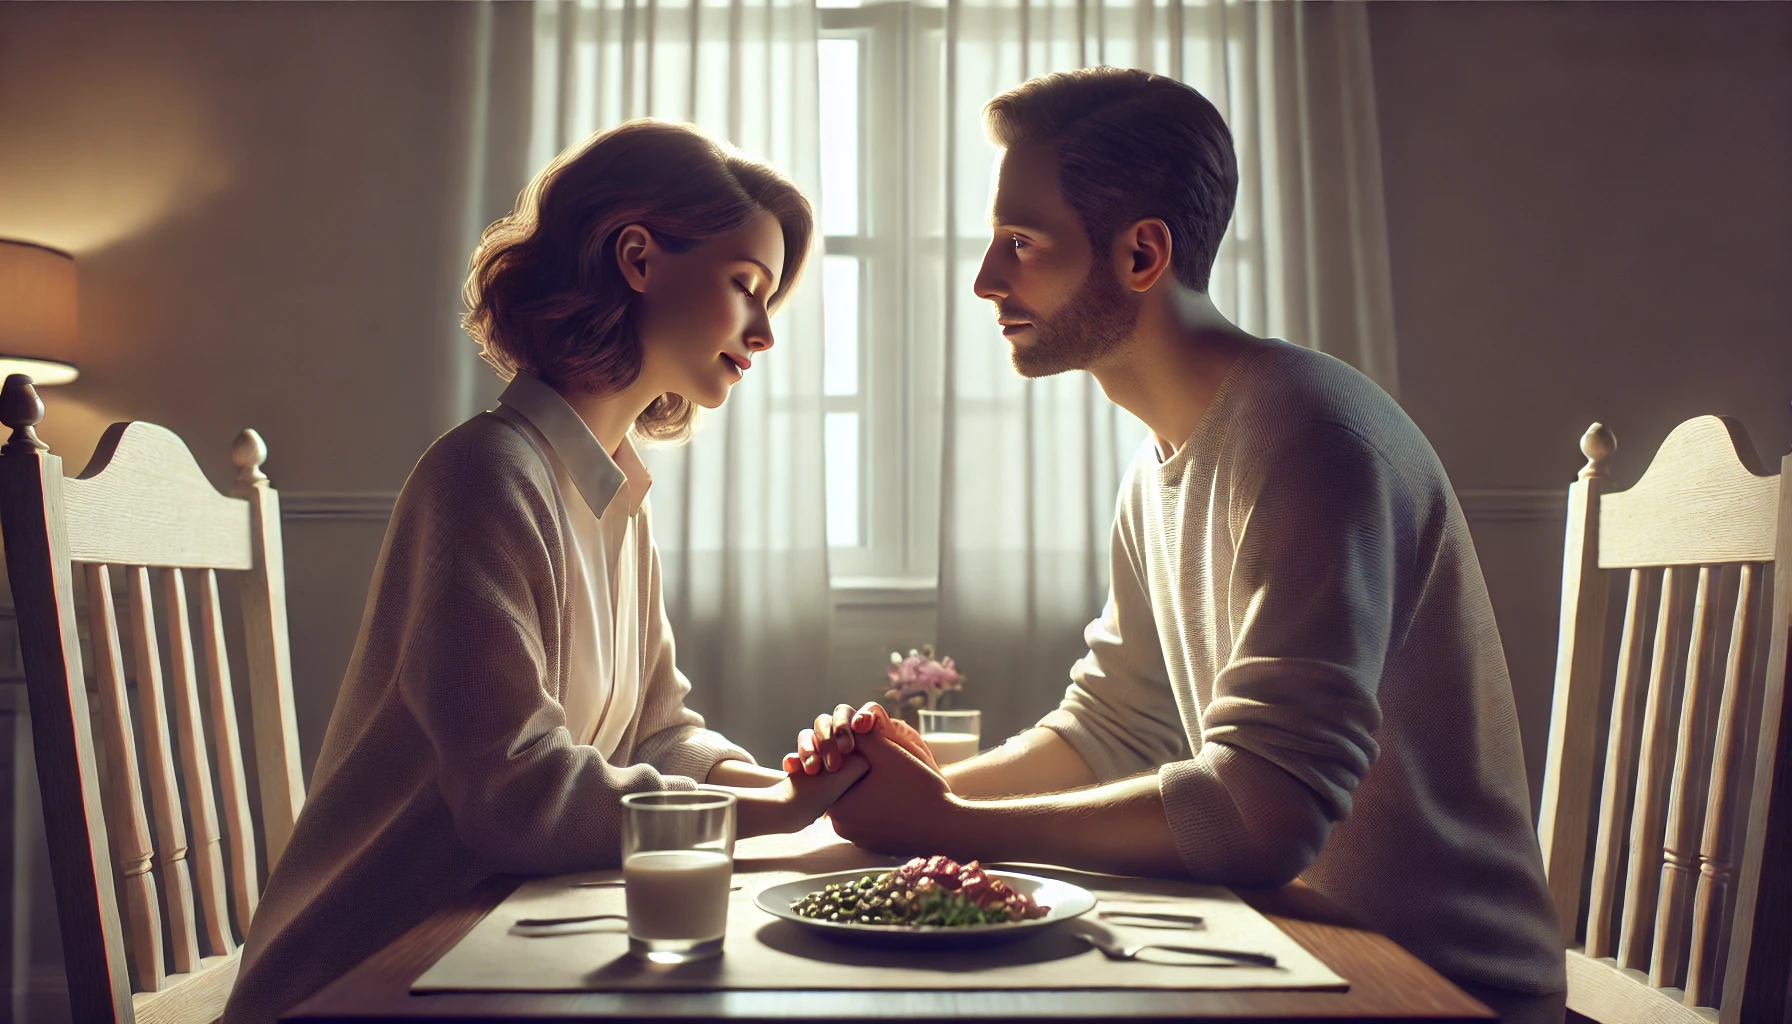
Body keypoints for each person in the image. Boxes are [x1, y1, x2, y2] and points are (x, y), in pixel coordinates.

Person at [789, 68, 1567, 1022]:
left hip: (1436, 987)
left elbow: (1263, 810)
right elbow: (1111, 733)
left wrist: (950, 823)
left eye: (1021, 243)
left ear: (1142, 254)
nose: (988, 279)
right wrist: (895, 793)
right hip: (1288, 948)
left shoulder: (1314, 438)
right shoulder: (1163, 457)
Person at [225, 120, 866, 1024]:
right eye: (744, 286)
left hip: (491, 944)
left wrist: (784, 784)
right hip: (365, 969)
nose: (762, 333)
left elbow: (657, 734)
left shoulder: (613, 490)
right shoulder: (485, 475)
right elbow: (516, 798)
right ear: (637, 258)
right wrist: (775, 815)